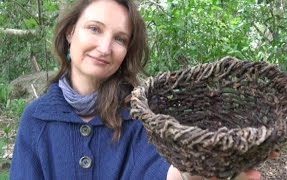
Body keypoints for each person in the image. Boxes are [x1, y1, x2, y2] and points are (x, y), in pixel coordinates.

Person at [10, 0, 273, 179]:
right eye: (94, 29)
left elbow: (162, 173)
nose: (105, 48)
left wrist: (193, 170)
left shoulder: (140, 117)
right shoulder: (37, 120)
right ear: (70, 32)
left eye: (119, 39)